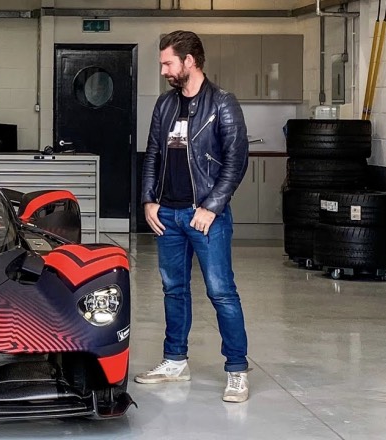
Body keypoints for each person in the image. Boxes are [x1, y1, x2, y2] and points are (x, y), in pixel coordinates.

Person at [136, 30, 250, 403]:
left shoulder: (223, 103)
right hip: (167, 215)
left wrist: (211, 206)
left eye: (168, 63)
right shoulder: (165, 105)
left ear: (190, 60)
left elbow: (236, 161)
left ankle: (236, 369)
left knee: (221, 292)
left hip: (205, 217)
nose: (164, 71)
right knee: (174, 290)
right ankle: (174, 361)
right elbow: (153, 154)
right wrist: (149, 200)